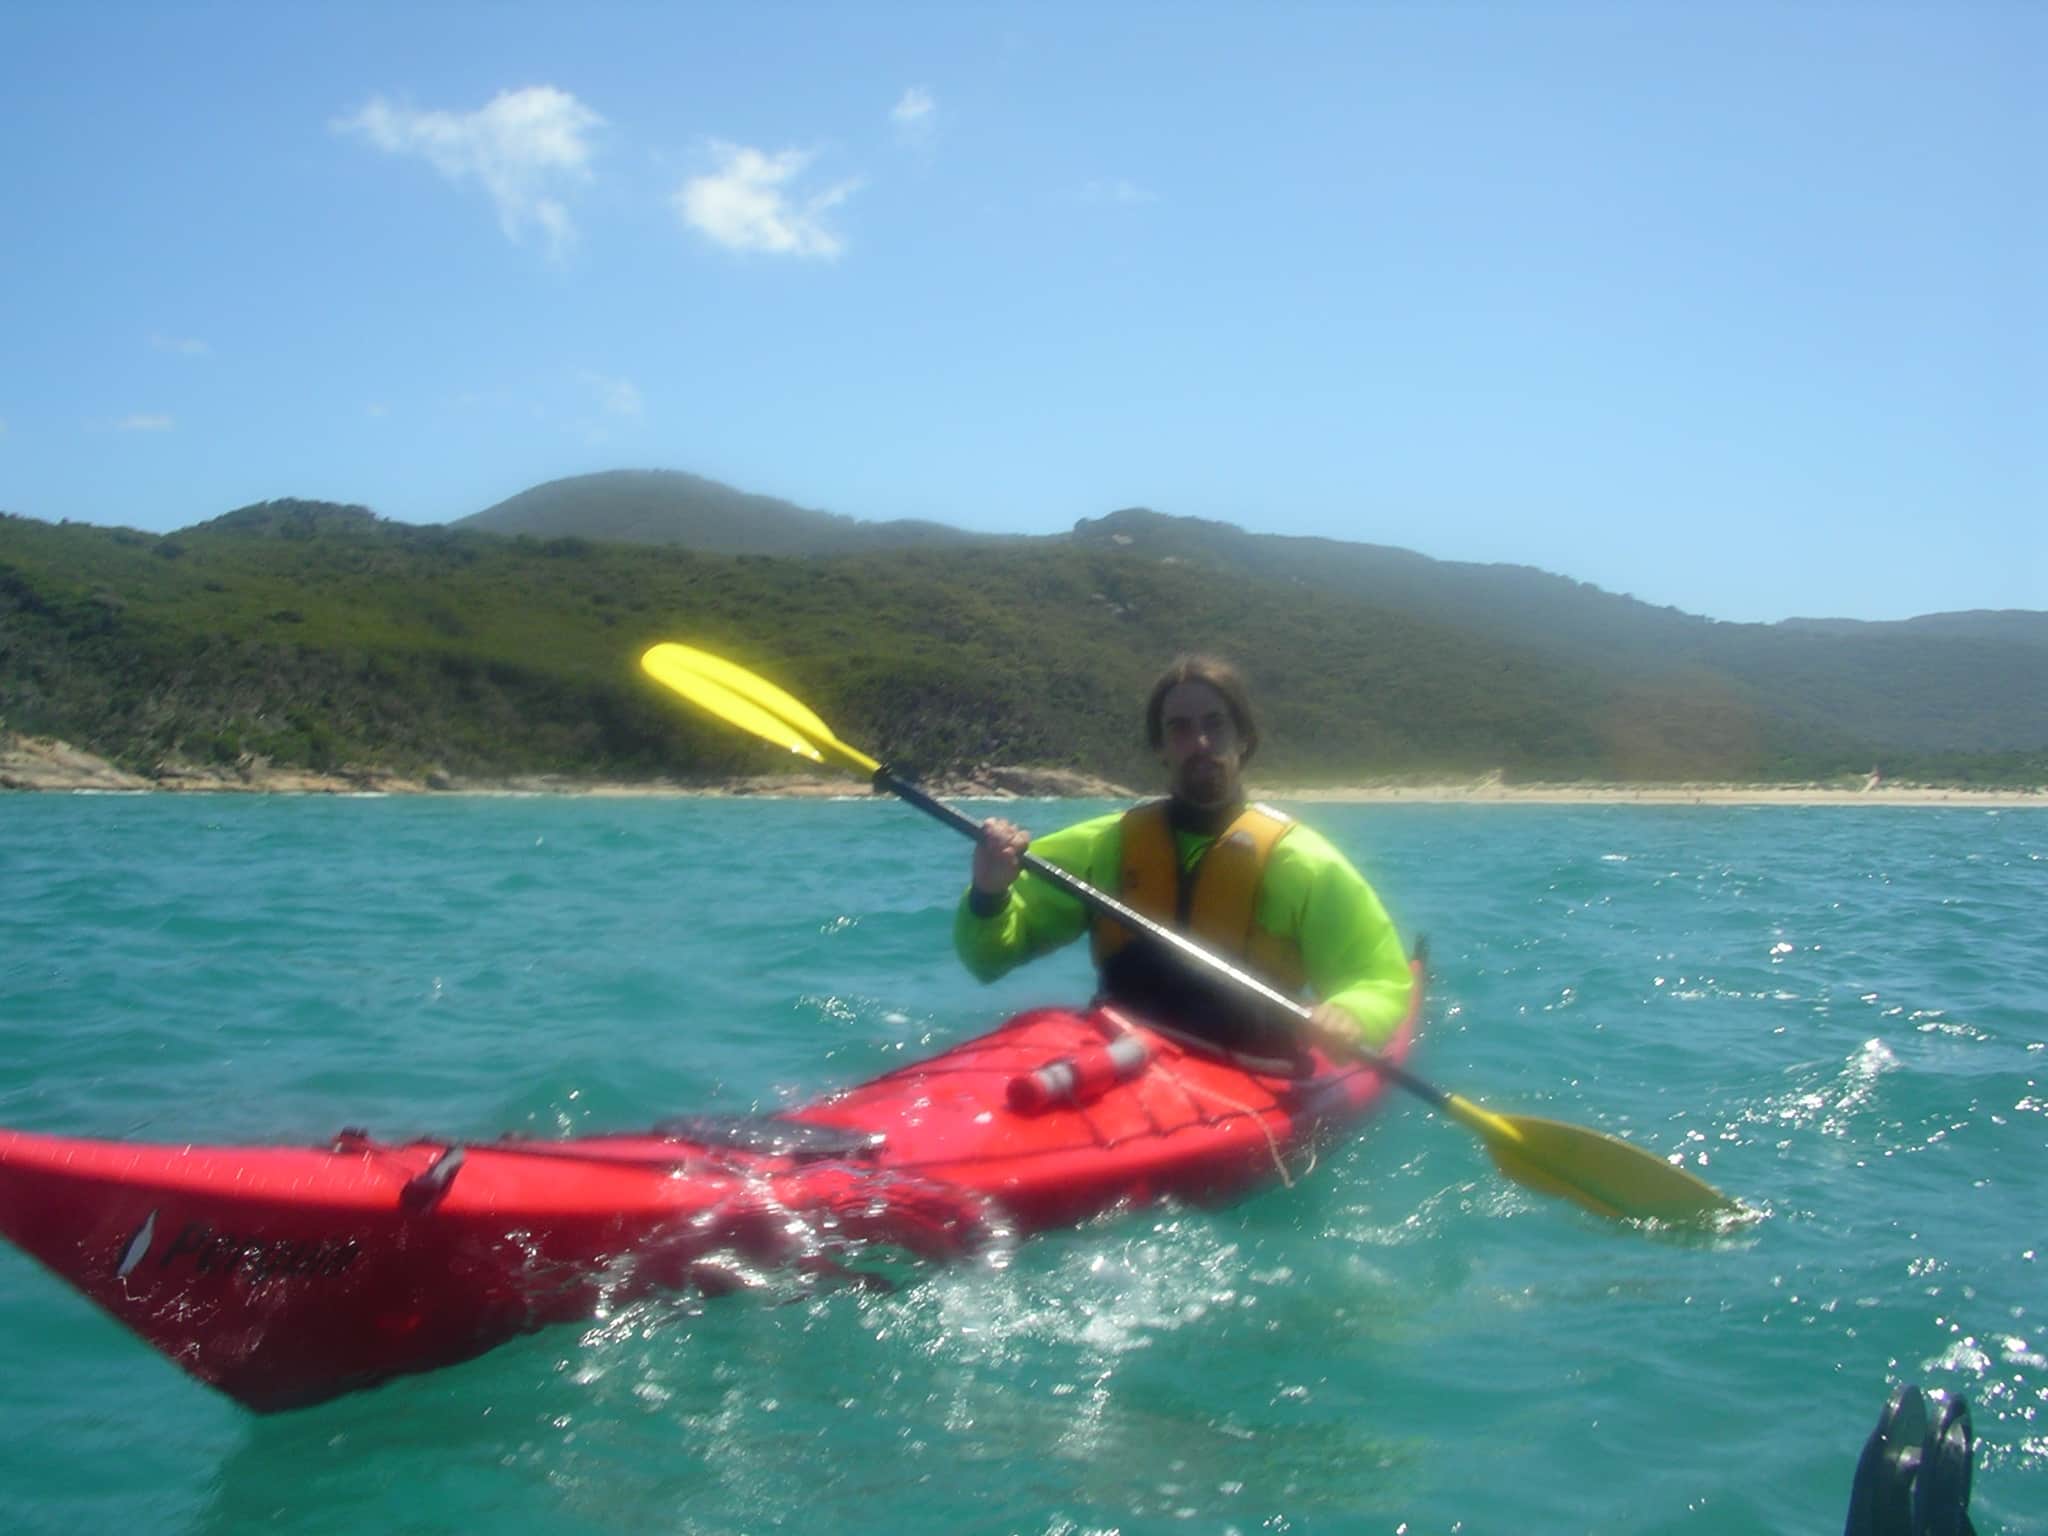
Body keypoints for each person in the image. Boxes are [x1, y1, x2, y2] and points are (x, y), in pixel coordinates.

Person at [953, 655, 1412, 1060]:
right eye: (1181, 728)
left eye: (1215, 724)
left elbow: (1378, 977)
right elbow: (987, 961)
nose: (1201, 744)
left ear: (1243, 739)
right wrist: (989, 895)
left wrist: (1352, 1014)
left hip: (1252, 1070)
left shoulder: (1302, 861)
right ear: (1160, 746)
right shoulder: (1105, 844)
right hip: (1121, 1058)